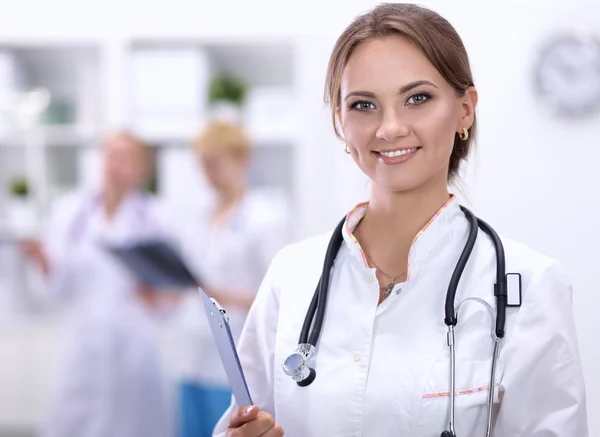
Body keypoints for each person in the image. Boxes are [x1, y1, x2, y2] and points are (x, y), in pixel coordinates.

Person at [212, 4, 589, 437]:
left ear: (465, 109)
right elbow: (238, 423)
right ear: (340, 121)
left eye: (417, 98)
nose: (389, 128)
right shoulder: (291, 277)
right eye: (364, 104)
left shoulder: (532, 286)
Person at [21, 131, 173, 437]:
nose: (115, 164)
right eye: (110, 155)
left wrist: (158, 297)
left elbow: (173, 293)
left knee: (135, 424)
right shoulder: (71, 213)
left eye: (126, 157)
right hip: (83, 341)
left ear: (143, 169)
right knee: (71, 421)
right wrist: (45, 264)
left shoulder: (158, 218)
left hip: (134, 344)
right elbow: (58, 289)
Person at [171, 121, 290, 437]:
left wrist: (218, 294)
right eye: (202, 164)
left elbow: (280, 296)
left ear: (242, 161)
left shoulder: (265, 217)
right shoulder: (199, 217)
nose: (207, 172)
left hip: (235, 357)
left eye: (214, 162)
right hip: (192, 351)